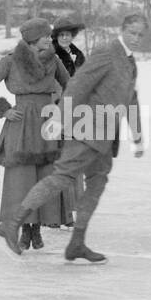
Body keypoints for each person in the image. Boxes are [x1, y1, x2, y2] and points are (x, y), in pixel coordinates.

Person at [0, 14, 146, 263]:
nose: (136, 38)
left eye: (141, 34)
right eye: (132, 32)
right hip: (86, 130)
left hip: (107, 136)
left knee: (96, 185)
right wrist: (60, 119)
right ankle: (13, 224)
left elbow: (130, 99)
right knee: (61, 177)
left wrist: (137, 136)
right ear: (122, 30)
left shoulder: (130, 62)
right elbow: (76, 86)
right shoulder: (107, 52)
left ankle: (77, 243)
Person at [0, 17, 69, 250]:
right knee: (21, 178)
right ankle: (24, 229)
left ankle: (36, 230)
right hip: (20, 122)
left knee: (44, 175)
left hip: (47, 120)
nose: (50, 40)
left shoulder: (54, 60)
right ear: (32, 40)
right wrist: (4, 109)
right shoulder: (10, 61)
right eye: (46, 37)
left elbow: (71, 85)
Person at [51, 17, 87, 227]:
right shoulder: (52, 54)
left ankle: (74, 209)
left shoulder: (79, 55)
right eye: (62, 35)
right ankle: (58, 213)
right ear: (56, 36)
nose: (65, 38)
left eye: (69, 35)